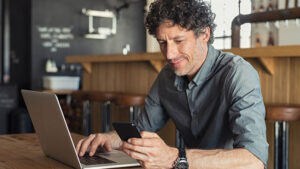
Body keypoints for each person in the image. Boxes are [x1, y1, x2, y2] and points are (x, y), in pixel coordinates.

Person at [76, 0, 269, 168]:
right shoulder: (167, 76)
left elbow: (254, 160)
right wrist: (109, 139)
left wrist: (175, 158)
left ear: (204, 34)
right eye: (162, 43)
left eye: (179, 41)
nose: (169, 54)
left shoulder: (237, 74)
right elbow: (142, 128)